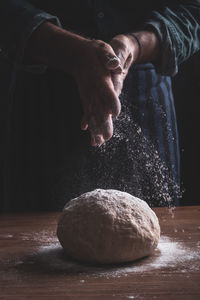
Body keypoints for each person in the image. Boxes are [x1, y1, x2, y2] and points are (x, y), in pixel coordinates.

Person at [0, 0, 200, 211]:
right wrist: (73, 52)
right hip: (43, 93)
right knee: (32, 235)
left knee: (155, 232)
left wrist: (136, 44)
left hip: (143, 87)